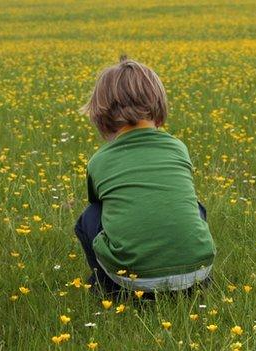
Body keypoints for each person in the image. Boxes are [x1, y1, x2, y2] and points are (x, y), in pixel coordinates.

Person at [74, 56, 215, 298]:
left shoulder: (100, 160)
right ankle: (193, 283)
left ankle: (107, 286)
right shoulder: (177, 147)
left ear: (101, 115)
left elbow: (99, 204)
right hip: (198, 270)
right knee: (195, 206)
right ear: (158, 106)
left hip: (133, 278)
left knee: (90, 217)